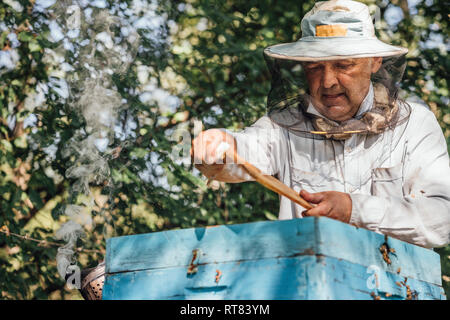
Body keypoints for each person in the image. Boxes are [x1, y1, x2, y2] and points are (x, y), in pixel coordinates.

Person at [191, 0, 450, 248]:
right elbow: (246, 150)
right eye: (314, 67)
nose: (327, 82)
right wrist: (220, 145)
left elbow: (442, 219)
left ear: (375, 61)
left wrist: (354, 209)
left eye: (343, 65)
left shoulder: (414, 125)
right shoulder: (284, 127)